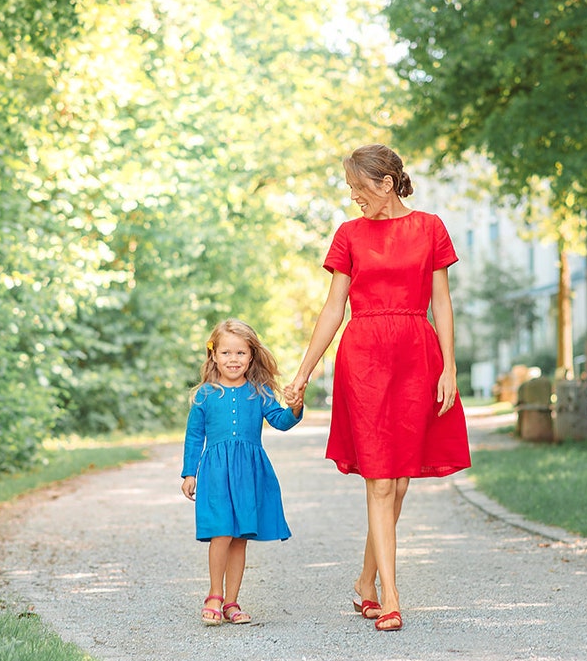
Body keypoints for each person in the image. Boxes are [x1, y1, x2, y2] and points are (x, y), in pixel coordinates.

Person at [286, 144, 470, 632]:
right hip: (364, 357)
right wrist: (304, 372)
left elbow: (442, 303)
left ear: (385, 183)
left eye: (357, 187)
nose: (352, 197)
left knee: (402, 478)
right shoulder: (349, 235)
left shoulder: (430, 227)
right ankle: (390, 597)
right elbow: (332, 309)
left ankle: (366, 582)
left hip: (417, 355)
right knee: (381, 479)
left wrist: (449, 367)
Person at [181, 318, 303, 626]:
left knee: (239, 539)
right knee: (220, 533)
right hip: (215, 474)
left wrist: (296, 407)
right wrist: (188, 473)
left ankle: (231, 602)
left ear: (251, 356)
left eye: (240, 353)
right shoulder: (205, 396)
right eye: (226, 353)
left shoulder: (259, 393)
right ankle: (214, 594)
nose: (233, 360)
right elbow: (194, 436)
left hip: (249, 473)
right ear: (214, 356)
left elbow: (281, 421)